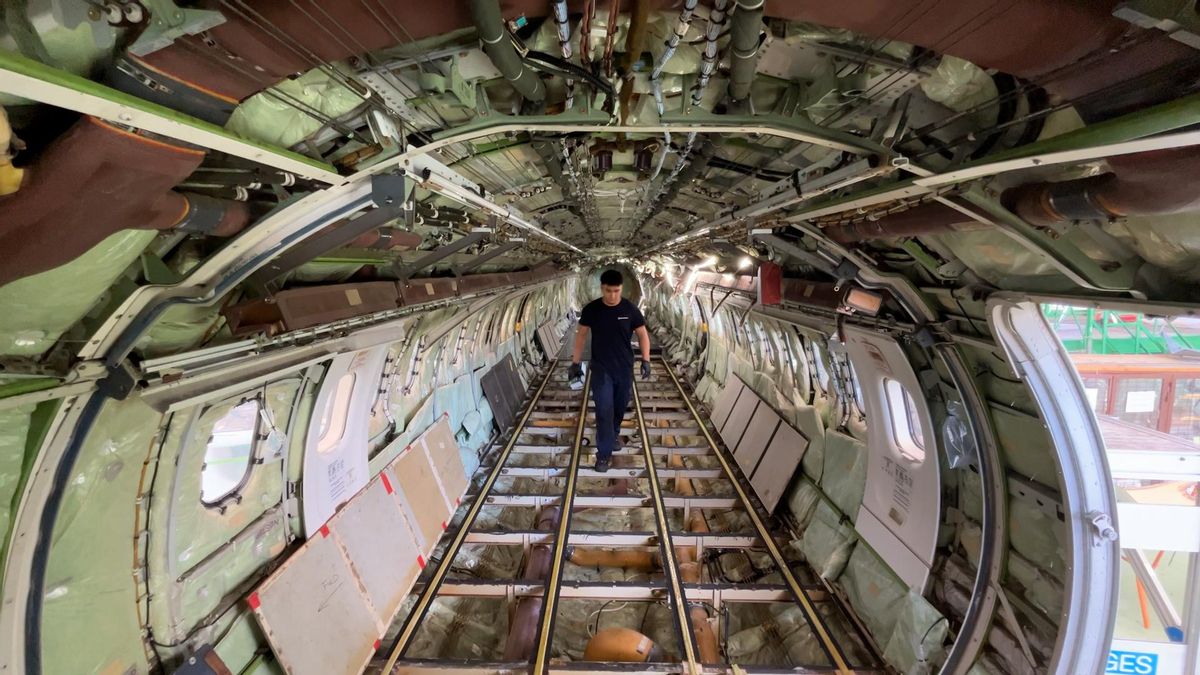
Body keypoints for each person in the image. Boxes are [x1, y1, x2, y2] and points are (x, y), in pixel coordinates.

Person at [569, 269, 651, 472]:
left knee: (619, 407)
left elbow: (642, 335)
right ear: (602, 288)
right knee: (604, 411)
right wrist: (575, 363)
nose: (612, 295)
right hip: (601, 369)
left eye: (616, 291)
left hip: (624, 369)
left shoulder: (630, 310)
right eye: (608, 291)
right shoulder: (592, 310)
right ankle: (603, 455)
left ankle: (614, 433)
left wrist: (646, 360)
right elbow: (580, 335)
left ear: (621, 289)